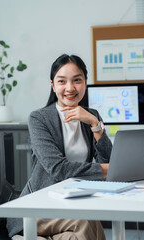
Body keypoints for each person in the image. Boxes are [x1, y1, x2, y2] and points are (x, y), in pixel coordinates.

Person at [7, 54, 112, 239]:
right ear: (53, 85)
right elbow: (58, 169)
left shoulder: (91, 115)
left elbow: (109, 162)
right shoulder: (39, 119)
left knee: (79, 232)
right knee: (86, 220)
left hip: (73, 204)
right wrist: (106, 169)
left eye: (77, 80)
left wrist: (95, 124)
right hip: (39, 207)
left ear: (85, 83)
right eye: (62, 81)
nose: (70, 88)